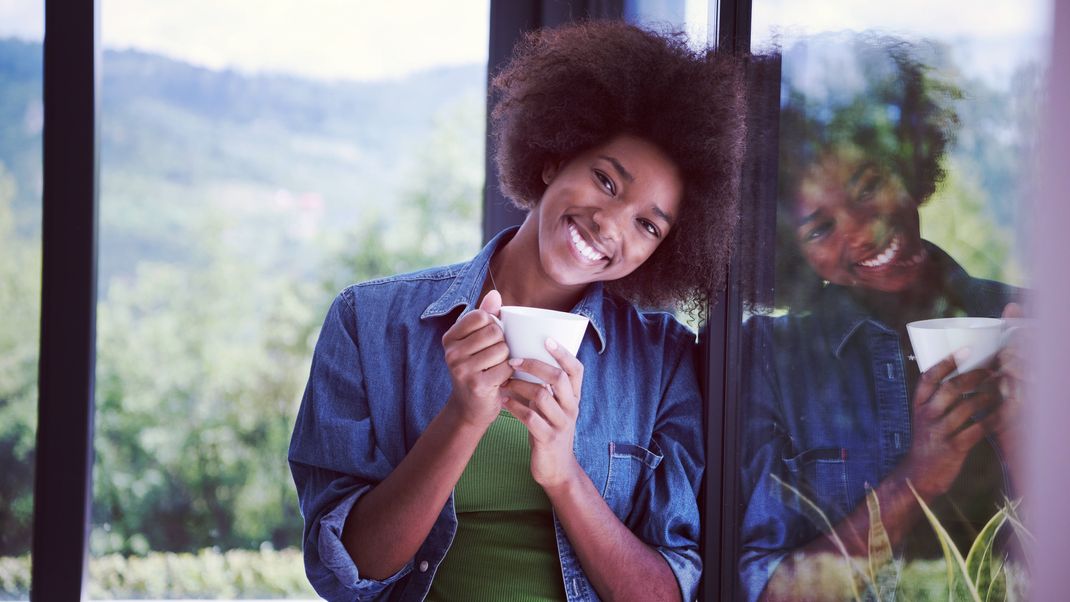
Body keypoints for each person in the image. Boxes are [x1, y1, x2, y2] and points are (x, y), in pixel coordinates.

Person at [289, 21, 746, 601]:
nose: (609, 224)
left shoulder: (665, 362)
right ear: (555, 158)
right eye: (605, 181)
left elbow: (664, 594)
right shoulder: (369, 321)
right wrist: (463, 416)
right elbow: (344, 572)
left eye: (647, 224)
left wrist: (563, 474)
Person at [738, 34, 1026, 601]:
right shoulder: (769, 360)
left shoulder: (1035, 320)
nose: (864, 230)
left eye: (869, 184)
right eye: (819, 228)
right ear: (787, 252)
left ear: (910, 161)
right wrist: (917, 477)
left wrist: (1028, 435)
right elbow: (767, 593)